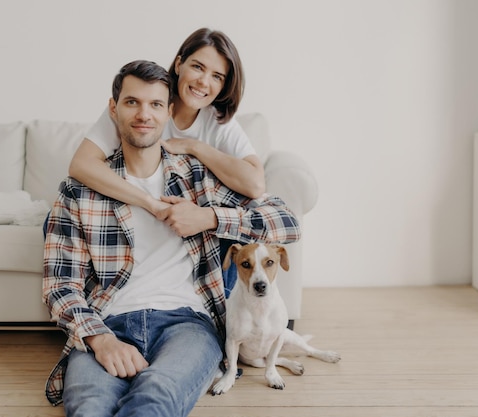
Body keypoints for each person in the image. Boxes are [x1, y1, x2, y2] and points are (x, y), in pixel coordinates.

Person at [42, 60, 300, 417]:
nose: (144, 114)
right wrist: (99, 339)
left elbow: (286, 222)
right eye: (132, 102)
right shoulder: (78, 191)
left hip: (188, 324)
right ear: (113, 109)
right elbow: (60, 285)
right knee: (89, 408)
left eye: (156, 105)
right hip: (108, 322)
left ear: (169, 113)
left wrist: (208, 216)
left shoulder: (199, 179)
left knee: (154, 400)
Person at [68, 28, 262, 295]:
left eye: (217, 76)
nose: (204, 82)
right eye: (197, 67)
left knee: (233, 231)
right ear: (179, 63)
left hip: (186, 225)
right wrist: (149, 202)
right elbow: (81, 165)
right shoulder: (144, 102)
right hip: (133, 210)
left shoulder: (217, 121)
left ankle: (224, 318)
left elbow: (255, 185)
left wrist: (194, 147)